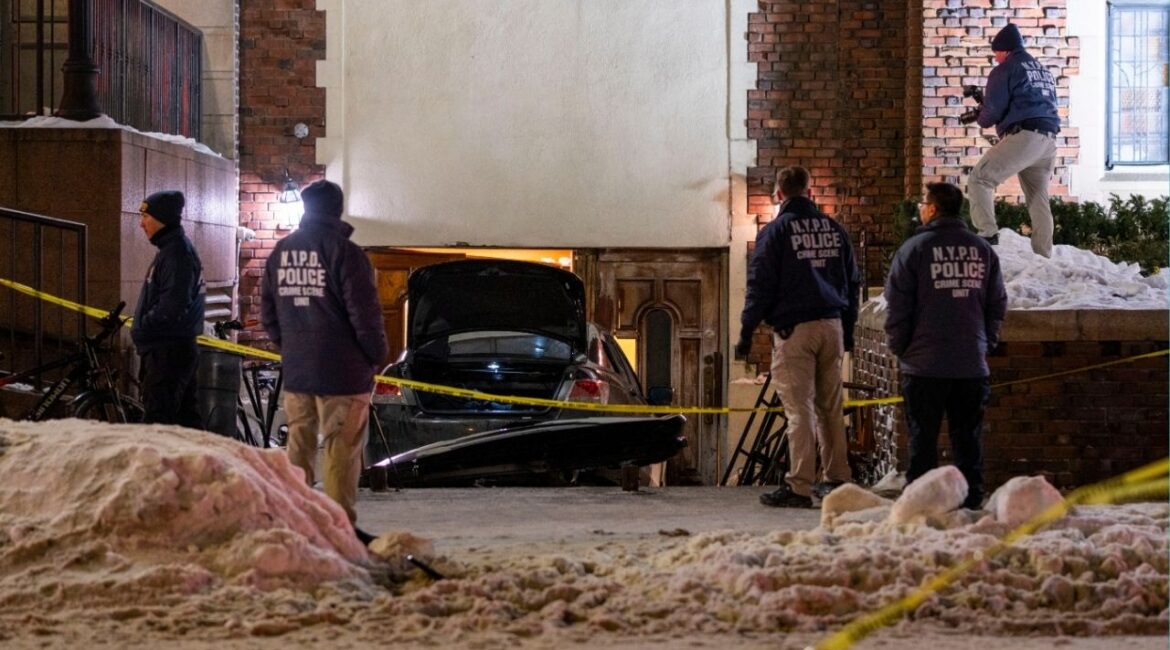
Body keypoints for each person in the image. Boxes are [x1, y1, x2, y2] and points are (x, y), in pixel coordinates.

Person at [261, 179, 388, 540]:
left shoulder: (281, 251)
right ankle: (338, 531)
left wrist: (290, 347)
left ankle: (295, 525)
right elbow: (365, 315)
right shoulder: (346, 253)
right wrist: (375, 356)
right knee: (341, 451)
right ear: (337, 209)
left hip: (299, 372)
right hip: (343, 373)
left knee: (298, 446)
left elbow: (268, 311)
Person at [735, 166, 860, 508]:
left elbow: (760, 285)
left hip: (796, 331)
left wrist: (747, 331)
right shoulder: (834, 229)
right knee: (830, 407)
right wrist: (847, 332)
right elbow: (853, 283)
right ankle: (837, 479)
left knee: (799, 410)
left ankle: (799, 486)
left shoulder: (777, 231)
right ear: (809, 190)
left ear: (779, 193)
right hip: (831, 325)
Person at [883, 182, 1007, 510]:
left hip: (924, 366)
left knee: (922, 441)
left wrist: (902, 348)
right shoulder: (981, 250)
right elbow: (997, 304)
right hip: (970, 365)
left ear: (934, 209)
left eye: (924, 203)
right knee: (967, 440)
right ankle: (970, 502)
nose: (920, 209)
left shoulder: (914, 250)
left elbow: (897, 307)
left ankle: (923, 504)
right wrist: (986, 341)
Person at [968, 22, 1061, 257]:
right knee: (1038, 197)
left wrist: (980, 117)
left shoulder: (1006, 69)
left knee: (980, 179)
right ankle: (1044, 255)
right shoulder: (1042, 69)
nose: (996, 59)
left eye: (996, 54)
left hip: (1026, 137)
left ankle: (987, 235)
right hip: (1048, 141)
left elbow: (992, 114)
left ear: (1005, 50)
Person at [131, 190, 206, 427]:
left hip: (168, 353)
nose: (142, 223)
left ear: (161, 219)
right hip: (172, 350)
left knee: (158, 424)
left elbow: (171, 307)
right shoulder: (172, 251)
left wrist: (144, 328)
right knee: (186, 423)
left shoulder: (176, 254)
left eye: (146, 217)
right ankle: (206, 463)